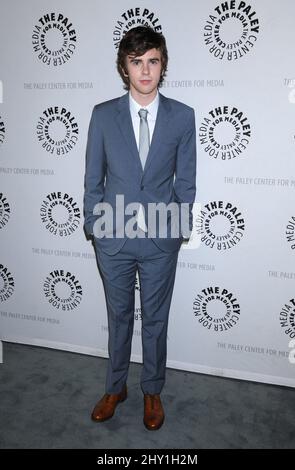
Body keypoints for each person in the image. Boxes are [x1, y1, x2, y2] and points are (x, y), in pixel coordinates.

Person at [83, 26, 196, 430]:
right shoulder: (102, 115)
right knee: (118, 316)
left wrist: (176, 231)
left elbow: (185, 182)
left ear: (162, 65)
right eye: (137, 62)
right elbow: (93, 178)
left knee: (155, 318)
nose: (145, 70)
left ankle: (151, 390)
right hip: (112, 238)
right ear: (124, 67)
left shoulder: (183, 116)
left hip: (160, 240)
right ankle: (116, 387)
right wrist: (94, 226)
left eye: (152, 61)